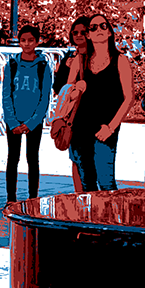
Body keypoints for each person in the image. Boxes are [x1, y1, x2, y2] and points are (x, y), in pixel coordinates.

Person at [67, 13, 136, 192]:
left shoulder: (120, 60)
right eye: (94, 27)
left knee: (106, 184)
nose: (99, 30)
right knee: (87, 185)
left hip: (104, 129)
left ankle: (111, 221)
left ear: (110, 33)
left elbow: (129, 98)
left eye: (103, 26)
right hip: (81, 129)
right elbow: (67, 96)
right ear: (88, 35)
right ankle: (90, 220)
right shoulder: (79, 61)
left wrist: (111, 127)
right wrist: (77, 89)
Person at [3, 24, 52, 205]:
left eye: (31, 40)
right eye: (23, 40)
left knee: (32, 158)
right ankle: (11, 198)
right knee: (12, 158)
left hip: (34, 121)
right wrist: (12, 121)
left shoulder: (43, 67)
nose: (27, 44)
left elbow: (44, 98)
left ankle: (32, 197)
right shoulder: (12, 65)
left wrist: (32, 122)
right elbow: (6, 94)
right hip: (13, 120)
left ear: (37, 41)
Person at [53, 15, 90, 193]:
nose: (79, 35)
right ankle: (80, 196)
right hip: (73, 116)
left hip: (91, 114)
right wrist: (66, 69)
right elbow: (58, 88)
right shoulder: (69, 58)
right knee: (75, 158)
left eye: (83, 32)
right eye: (75, 32)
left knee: (91, 160)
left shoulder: (98, 58)